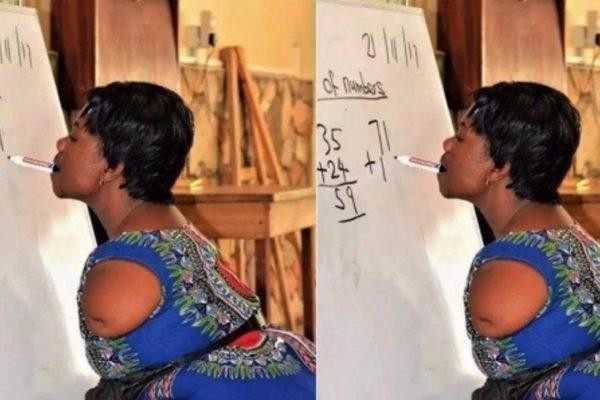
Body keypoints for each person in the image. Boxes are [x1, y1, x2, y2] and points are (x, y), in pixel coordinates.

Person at [51, 81, 316, 400]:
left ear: (112, 167)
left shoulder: (118, 272)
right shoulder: (180, 234)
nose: (60, 144)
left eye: (75, 137)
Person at [437, 81, 600, 399]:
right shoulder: (573, 240)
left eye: (460, 137)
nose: (446, 145)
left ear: (498, 167)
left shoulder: (509, 270)